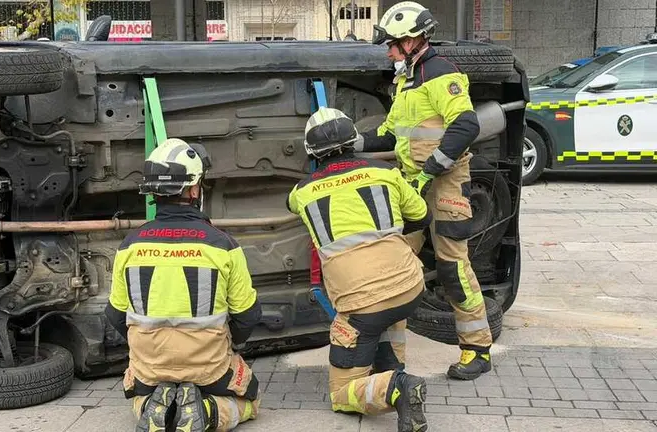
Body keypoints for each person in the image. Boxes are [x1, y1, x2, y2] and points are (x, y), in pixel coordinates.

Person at [354, 1, 492, 381]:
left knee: (452, 267)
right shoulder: (406, 82)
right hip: (412, 181)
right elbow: (389, 133)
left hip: (445, 182)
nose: (388, 51)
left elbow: (465, 126)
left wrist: (430, 172)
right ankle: (391, 360)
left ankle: (478, 349)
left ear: (413, 40)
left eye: (392, 44)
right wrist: (351, 142)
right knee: (396, 266)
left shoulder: (440, 74)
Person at [287, 106, 432, 432]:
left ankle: (396, 388)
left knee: (341, 394)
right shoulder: (387, 174)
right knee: (389, 302)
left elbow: (291, 204)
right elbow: (422, 216)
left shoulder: (302, 192)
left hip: (360, 304)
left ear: (311, 151)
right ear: (354, 141)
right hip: (410, 288)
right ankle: (393, 369)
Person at [105, 138, 263, 432]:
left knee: (141, 399)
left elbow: (114, 314)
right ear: (194, 190)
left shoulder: (129, 246)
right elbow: (248, 314)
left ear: (154, 192)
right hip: (208, 364)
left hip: (151, 366)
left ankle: (156, 408)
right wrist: (231, 345)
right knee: (252, 400)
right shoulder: (222, 245)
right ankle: (205, 410)